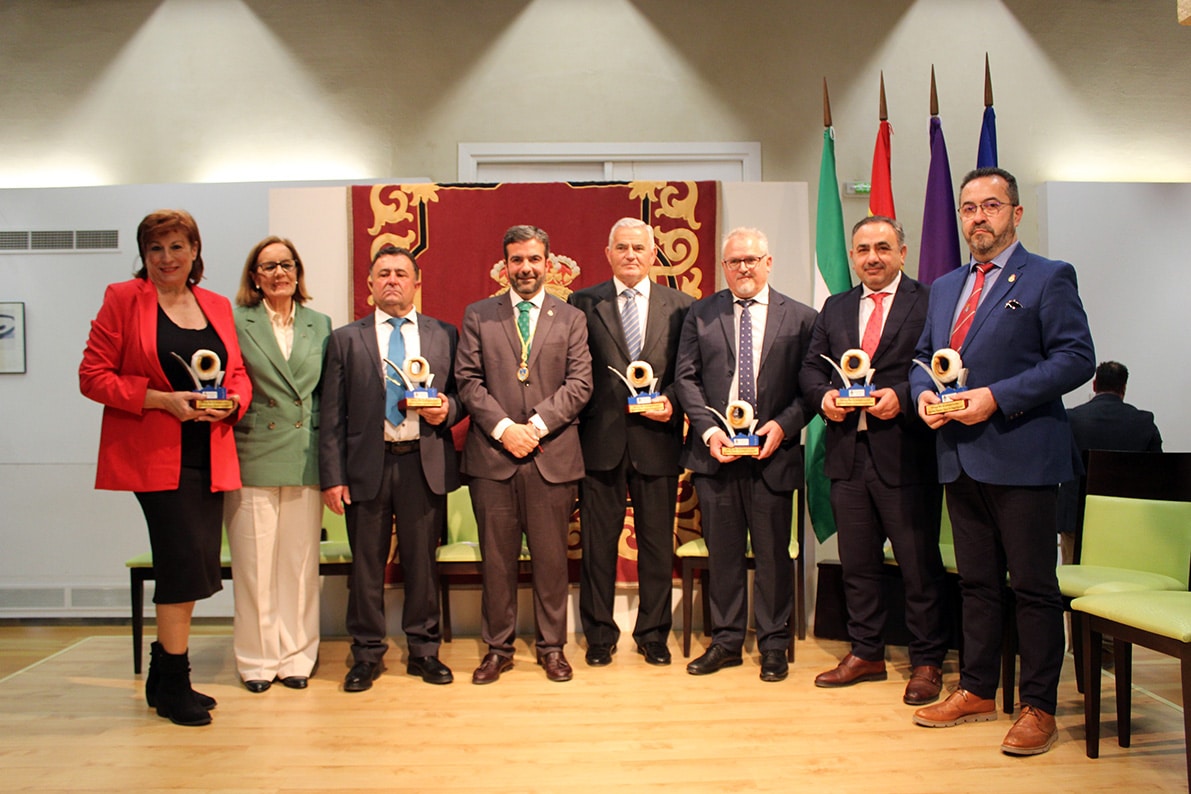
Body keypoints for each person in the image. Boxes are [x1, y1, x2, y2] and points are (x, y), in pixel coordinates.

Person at [909, 167, 1095, 755]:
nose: (978, 217)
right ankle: (978, 689)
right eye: (968, 208)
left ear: (1015, 213)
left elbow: (1076, 359)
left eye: (991, 205)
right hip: (959, 458)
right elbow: (922, 358)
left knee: (1035, 588)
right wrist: (921, 397)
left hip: (1022, 454)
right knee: (979, 585)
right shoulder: (943, 287)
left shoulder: (1047, 277)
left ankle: (1040, 706)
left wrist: (996, 396)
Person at [79, 209, 250, 726]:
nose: (167, 258)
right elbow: (93, 376)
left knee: (196, 561)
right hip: (156, 455)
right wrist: (158, 399)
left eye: (177, 247)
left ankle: (163, 677)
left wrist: (233, 404)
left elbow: (236, 372)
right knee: (181, 562)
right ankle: (175, 682)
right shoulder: (123, 299)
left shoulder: (217, 304)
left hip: (209, 453)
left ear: (195, 250)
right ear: (144, 256)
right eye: (156, 249)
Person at [800, 216, 948, 705]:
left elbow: (939, 367)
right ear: (853, 256)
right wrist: (823, 398)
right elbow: (810, 369)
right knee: (858, 565)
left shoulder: (929, 302)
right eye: (862, 249)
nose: (872, 257)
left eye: (882, 247)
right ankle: (866, 652)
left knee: (918, 566)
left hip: (906, 454)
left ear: (902, 252)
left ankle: (927, 661)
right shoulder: (836, 306)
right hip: (847, 455)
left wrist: (903, 397)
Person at [674, 226, 817, 683]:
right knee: (725, 554)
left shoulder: (801, 318)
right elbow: (686, 379)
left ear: (768, 262)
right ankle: (726, 641)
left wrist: (782, 426)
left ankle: (774, 644)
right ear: (724, 266)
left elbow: (810, 389)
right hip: (717, 456)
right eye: (735, 261)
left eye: (752, 260)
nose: (743, 268)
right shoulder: (700, 313)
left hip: (773, 455)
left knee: (774, 555)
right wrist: (710, 430)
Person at [319, 245, 463, 691]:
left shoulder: (445, 334)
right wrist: (332, 476)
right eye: (383, 274)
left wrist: (448, 408)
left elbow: (462, 395)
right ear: (369, 285)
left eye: (401, 273)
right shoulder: (346, 339)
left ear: (417, 283)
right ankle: (366, 654)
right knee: (367, 566)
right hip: (368, 463)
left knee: (422, 563)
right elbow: (331, 414)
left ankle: (424, 650)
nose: (392, 281)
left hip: (424, 462)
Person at [455, 225, 592, 684]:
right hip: (493, 459)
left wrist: (532, 428)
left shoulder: (571, 318)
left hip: (551, 456)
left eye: (534, 259)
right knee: (496, 561)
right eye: (517, 260)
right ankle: (498, 648)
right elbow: (468, 382)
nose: (526, 268)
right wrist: (503, 429)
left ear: (548, 263)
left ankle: (553, 647)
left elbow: (580, 385)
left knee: (552, 560)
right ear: (504, 265)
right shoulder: (479, 315)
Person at [569, 218, 694, 667]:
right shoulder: (582, 302)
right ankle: (599, 635)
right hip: (599, 443)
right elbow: (574, 371)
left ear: (653, 253)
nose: (630, 255)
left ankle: (653, 635)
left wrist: (673, 402)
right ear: (608, 253)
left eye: (639, 248)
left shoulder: (682, 307)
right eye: (621, 247)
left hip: (658, 442)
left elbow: (689, 374)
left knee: (658, 546)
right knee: (597, 547)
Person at [225, 236, 331, 693]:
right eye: (267, 267)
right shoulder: (234, 322)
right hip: (253, 455)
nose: (278, 273)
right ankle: (256, 660)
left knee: (299, 566)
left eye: (286, 264)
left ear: (297, 271)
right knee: (254, 567)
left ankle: (296, 657)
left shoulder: (320, 323)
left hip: (306, 456)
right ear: (254, 277)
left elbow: (328, 396)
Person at [1057, 361, 1163, 561]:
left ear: (1095, 385)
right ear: (1123, 387)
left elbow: (1053, 463)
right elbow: (1159, 472)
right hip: (1124, 520)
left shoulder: (1071, 419)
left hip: (1075, 517)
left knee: (1072, 577)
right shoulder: (1143, 421)